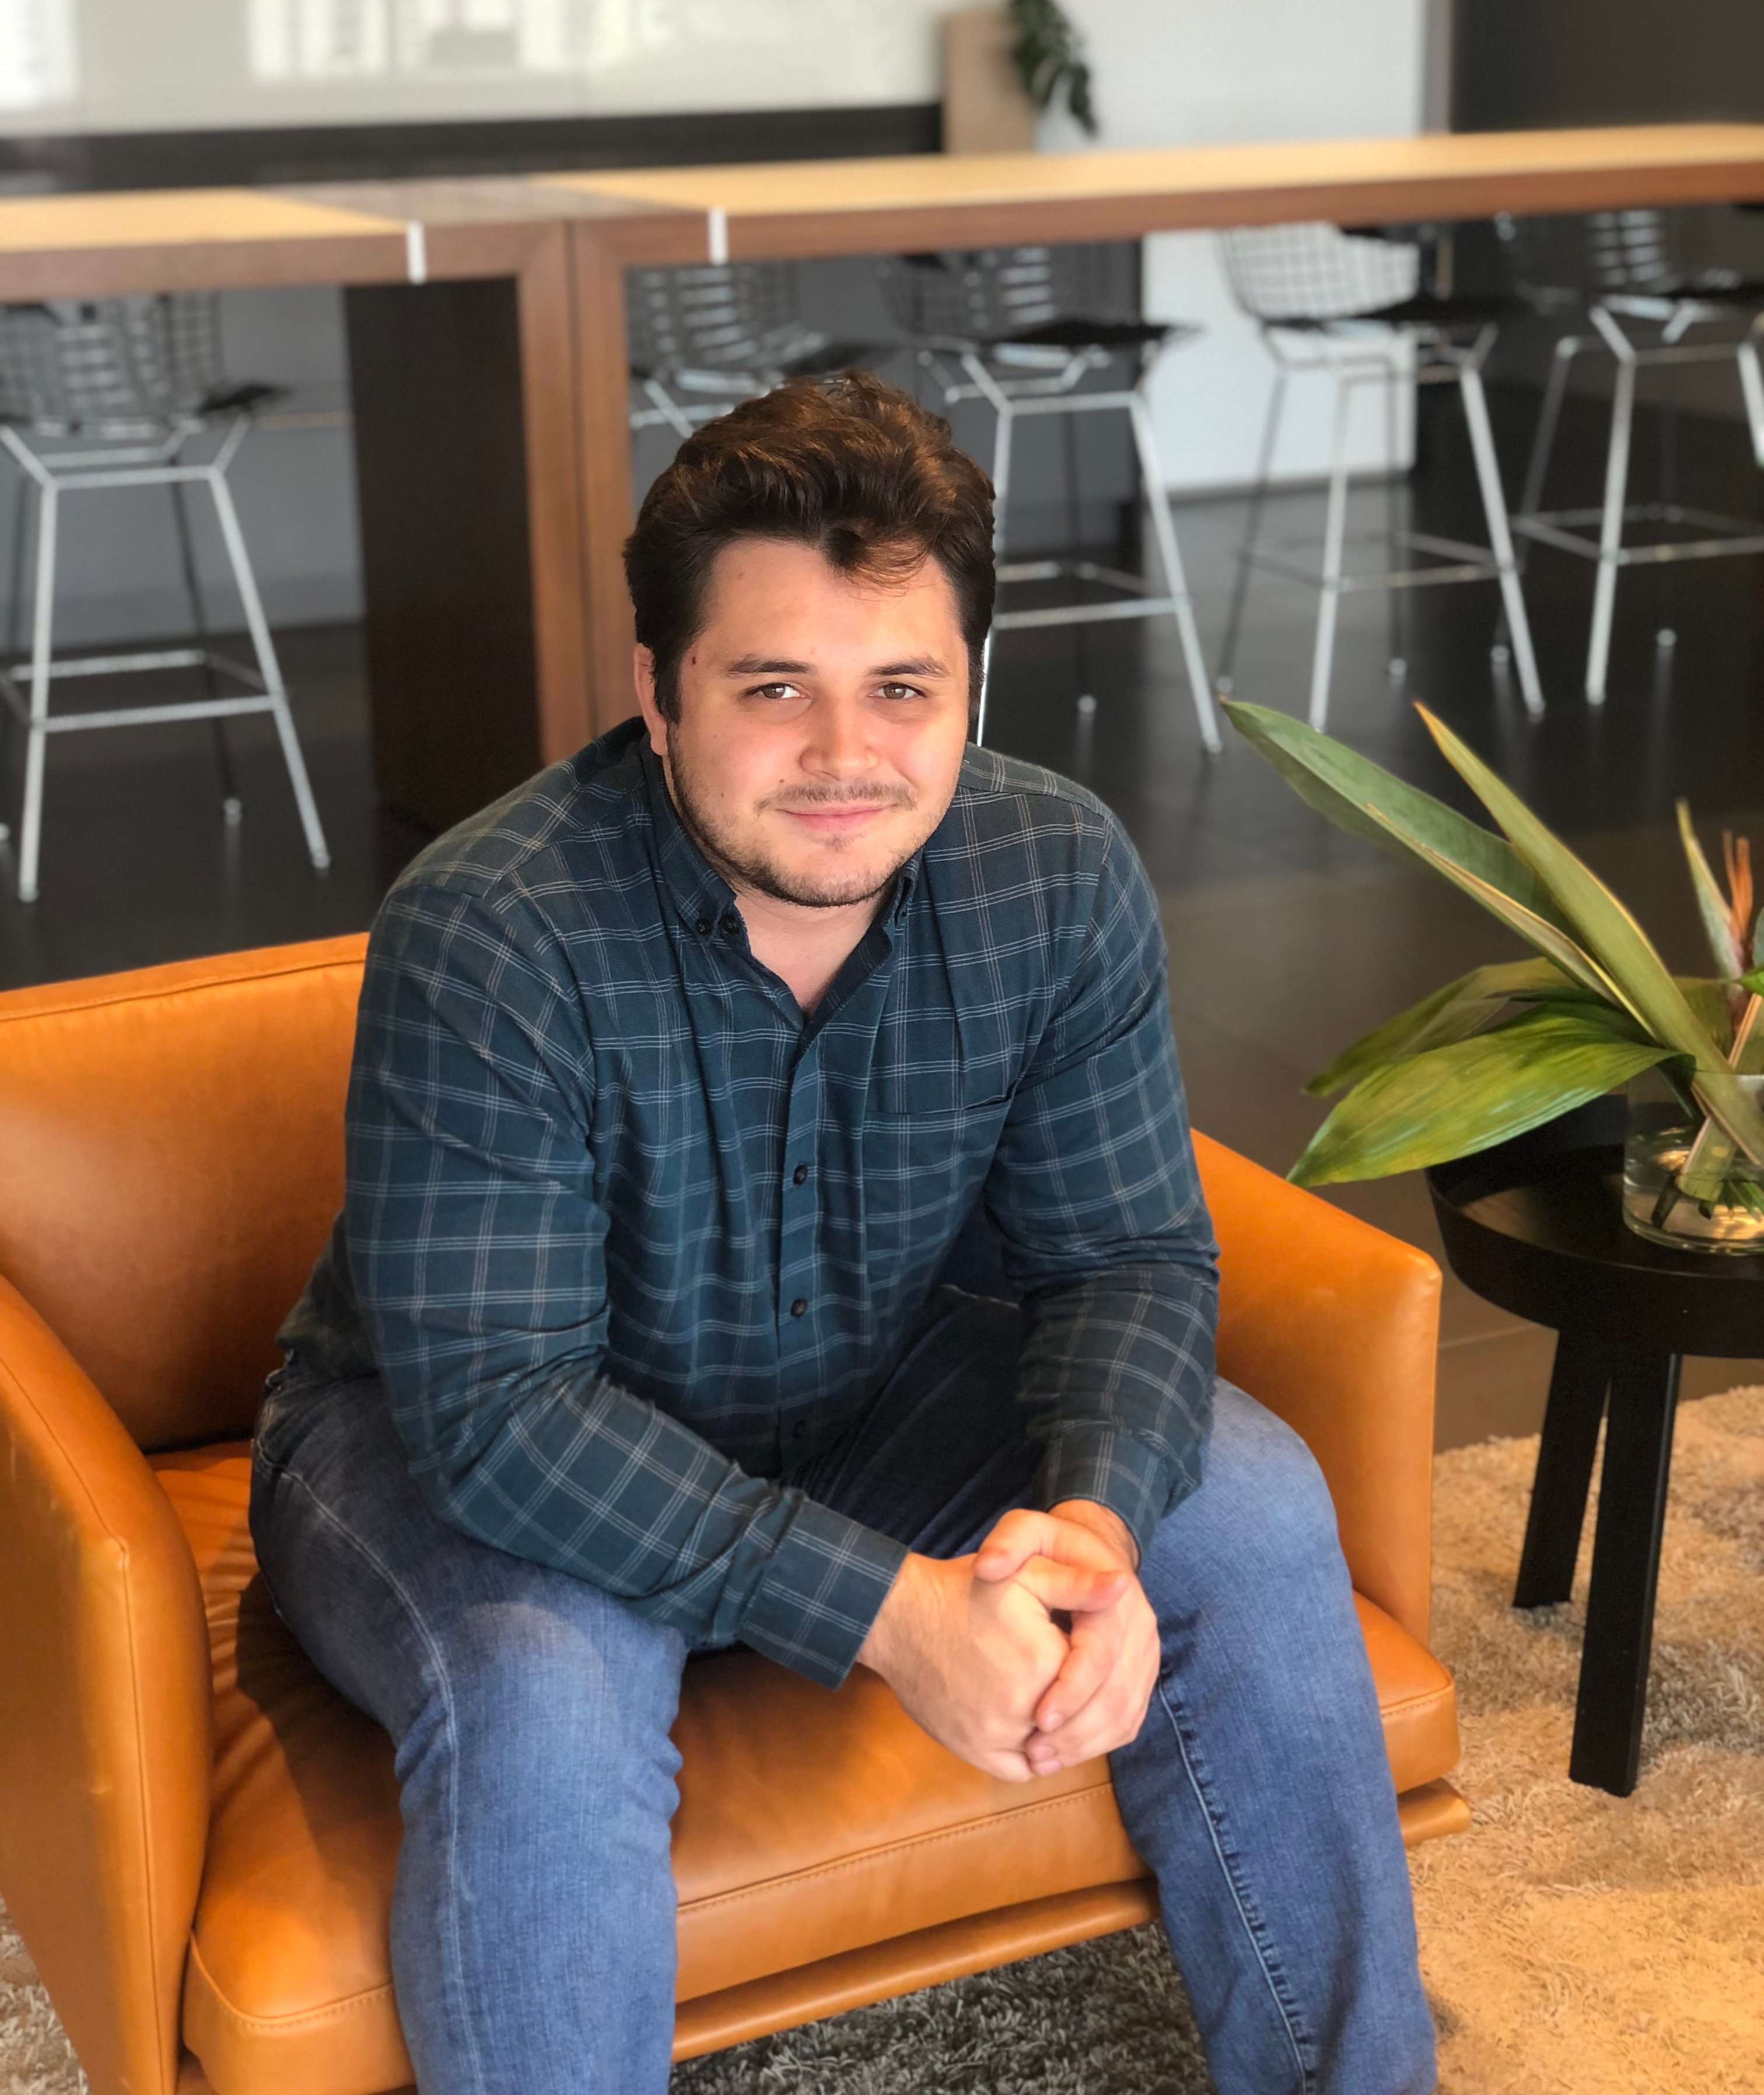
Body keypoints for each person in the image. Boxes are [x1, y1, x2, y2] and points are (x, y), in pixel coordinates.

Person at [251, 372, 1435, 2095]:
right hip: (448, 1441)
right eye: (772, 687)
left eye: (901, 687)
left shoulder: (1055, 870)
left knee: (1244, 1503)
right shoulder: (492, 928)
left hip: (864, 1395)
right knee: (543, 1697)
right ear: (655, 693)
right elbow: (501, 1416)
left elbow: (1125, 1257)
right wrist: (891, 1612)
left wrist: (1092, 1528)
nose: (842, 756)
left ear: (969, 690)